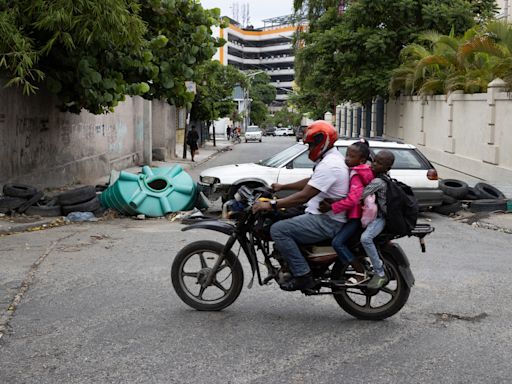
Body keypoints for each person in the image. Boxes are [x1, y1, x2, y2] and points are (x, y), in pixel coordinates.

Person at [252, 121, 349, 291]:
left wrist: (271, 205)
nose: (309, 149)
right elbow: (312, 182)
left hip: (327, 221)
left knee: (279, 230)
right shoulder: (329, 159)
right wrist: (283, 187)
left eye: (311, 144)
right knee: (283, 215)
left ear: (322, 141)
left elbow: (304, 196)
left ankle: (303, 275)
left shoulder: (330, 165)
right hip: (321, 214)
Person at [318, 139, 374, 285]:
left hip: (356, 217)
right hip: (357, 215)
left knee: (337, 243)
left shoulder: (356, 174)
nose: (346, 159)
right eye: (346, 155)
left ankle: (360, 271)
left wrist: (332, 207)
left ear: (361, 160)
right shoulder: (361, 170)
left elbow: (353, 199)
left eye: (351, 156)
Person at [359, 150, 395, 289]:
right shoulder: (384, 176)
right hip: (378, 215)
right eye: (374, 160)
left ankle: (380, 273)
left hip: (381, 218)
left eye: (379, 163)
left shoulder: (378, 181)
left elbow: (361, 195)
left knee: (366, 238)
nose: (374, 164)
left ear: (387, 168)